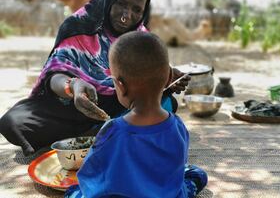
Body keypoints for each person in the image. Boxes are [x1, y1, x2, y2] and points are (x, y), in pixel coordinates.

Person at [0, 0, 189, 156]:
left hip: (119, 106)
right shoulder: (77, 26)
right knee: (13, 121)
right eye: (121, 3)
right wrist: (73, 86)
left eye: (136, 10)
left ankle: (104, 132)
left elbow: (148, 79)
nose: (126, 15)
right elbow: (54, 74)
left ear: (144, 11)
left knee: (166, 103)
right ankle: (110, 133)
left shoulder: (142, 38)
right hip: (72, 106)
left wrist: (168, 78)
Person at [64, 31, 207, 198]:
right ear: (169, 77)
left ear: (121, 86)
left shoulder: (112, 129)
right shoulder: (178, 125)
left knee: (73, 192)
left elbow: (90, 172)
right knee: (197, 173)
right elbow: (178, 165)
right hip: (167, 194)